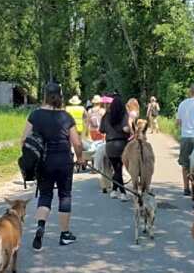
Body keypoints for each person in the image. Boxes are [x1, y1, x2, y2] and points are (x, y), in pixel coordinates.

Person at [22, 83, 84, 251]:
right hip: (64, 161)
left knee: (45, 195)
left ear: (45, 96)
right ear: (60, 96)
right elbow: (77, 143)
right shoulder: (66, 117)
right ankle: (64, 235)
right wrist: (80, 158)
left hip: (44, 162)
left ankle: (41, 226)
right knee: (65, 195)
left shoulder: (35, 115)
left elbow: (23, 140)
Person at [99, 95, 130, 201]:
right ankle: (123, 193)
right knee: (118, 169)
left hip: (110, 146)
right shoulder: (123, 114)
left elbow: (101, 130)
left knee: (116, 169)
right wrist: (131, 130)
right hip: (122, 145)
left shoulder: (107, 115)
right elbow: (126, 129)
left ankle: (114, 190)